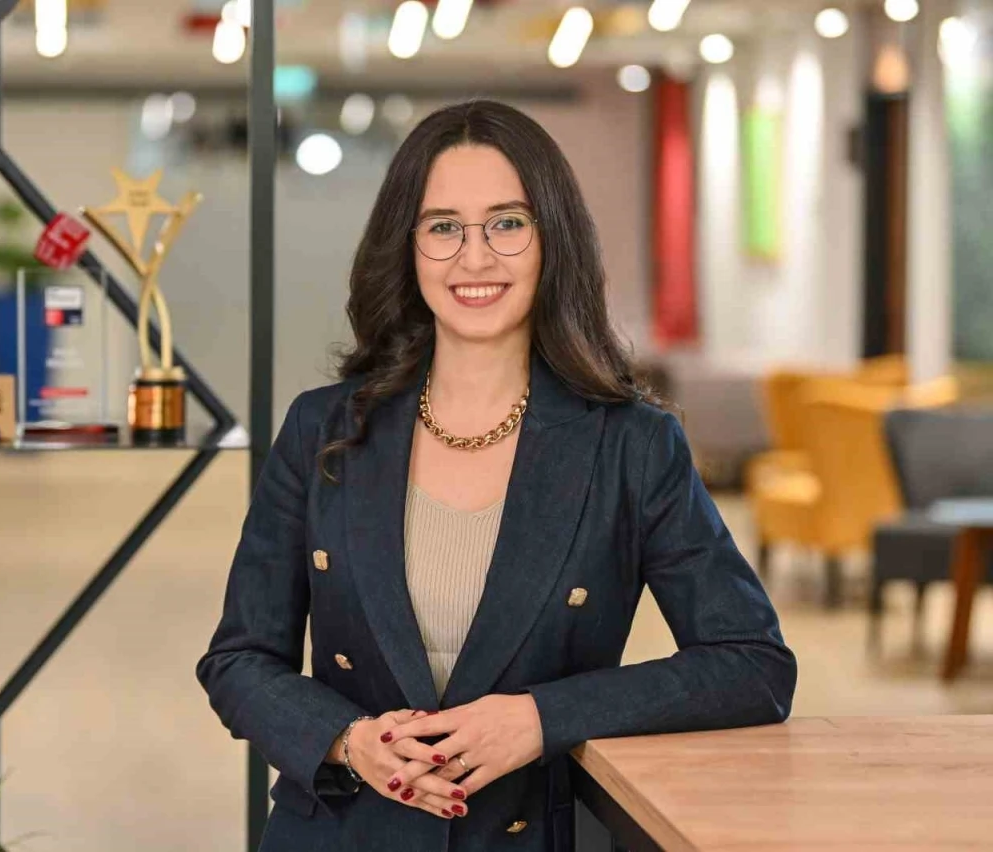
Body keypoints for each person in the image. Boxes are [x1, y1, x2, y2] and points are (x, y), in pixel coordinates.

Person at [196, 99, 796, 852]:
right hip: (343, 833)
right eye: (443, 227)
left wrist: (542, 718)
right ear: (407, 248)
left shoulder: (632, 445)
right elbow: (239, 659)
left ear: (553, 241)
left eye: (508, 224)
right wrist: (347, 739)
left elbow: (752, 666)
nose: (474, 259)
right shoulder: (324, 429)